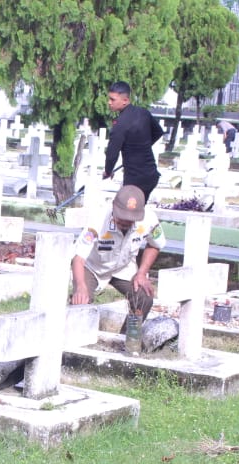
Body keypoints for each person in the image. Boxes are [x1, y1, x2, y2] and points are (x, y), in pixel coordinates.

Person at [70, 185, 165, 322]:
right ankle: (75, 339)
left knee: (144, 298)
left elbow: (155, 245)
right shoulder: (98, 219)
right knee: (81, 303)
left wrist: (142, 273)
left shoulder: (149, 219)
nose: (125, 222)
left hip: (124, 268)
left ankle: (128, 339)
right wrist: (80, 287)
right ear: (114, 207)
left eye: (130, 220)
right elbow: (78, 257)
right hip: (93, 267)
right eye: (121, 218)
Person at [104, 81, 164, 201]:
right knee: (136, 213)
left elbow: (112, 153)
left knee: (126, 216)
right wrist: (143, 146)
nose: (109, 102)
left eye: (112, 99)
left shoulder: (120, 125)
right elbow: (158, 132)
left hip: (135, 180)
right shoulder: (144, 113)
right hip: (151, 175)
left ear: (125, 100)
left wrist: (108, 171)